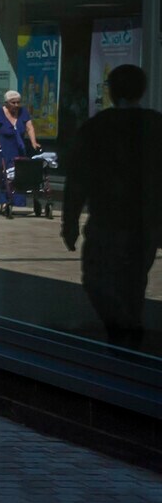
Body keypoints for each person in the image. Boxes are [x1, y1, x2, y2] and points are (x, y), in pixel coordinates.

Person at [61, 64, 162, 349]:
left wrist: (69, 223)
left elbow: (77, 180)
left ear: (112, 91)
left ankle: (123, 330)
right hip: (145, 224)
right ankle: (129, 330)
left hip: (108, 222)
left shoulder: (96, 128)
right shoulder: (156, 125)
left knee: (97, 278)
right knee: (134, 280)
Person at [0, 89, 41, 217]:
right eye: (13, 103)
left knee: (15, 173)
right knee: (1, 174)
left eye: (18, 102)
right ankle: (2, 200)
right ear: (7, 103)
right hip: (1, 147)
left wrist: (33, 142)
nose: (16, 105)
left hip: (17, 147)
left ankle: (14, 199)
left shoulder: (23, 112)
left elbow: (30, 128)